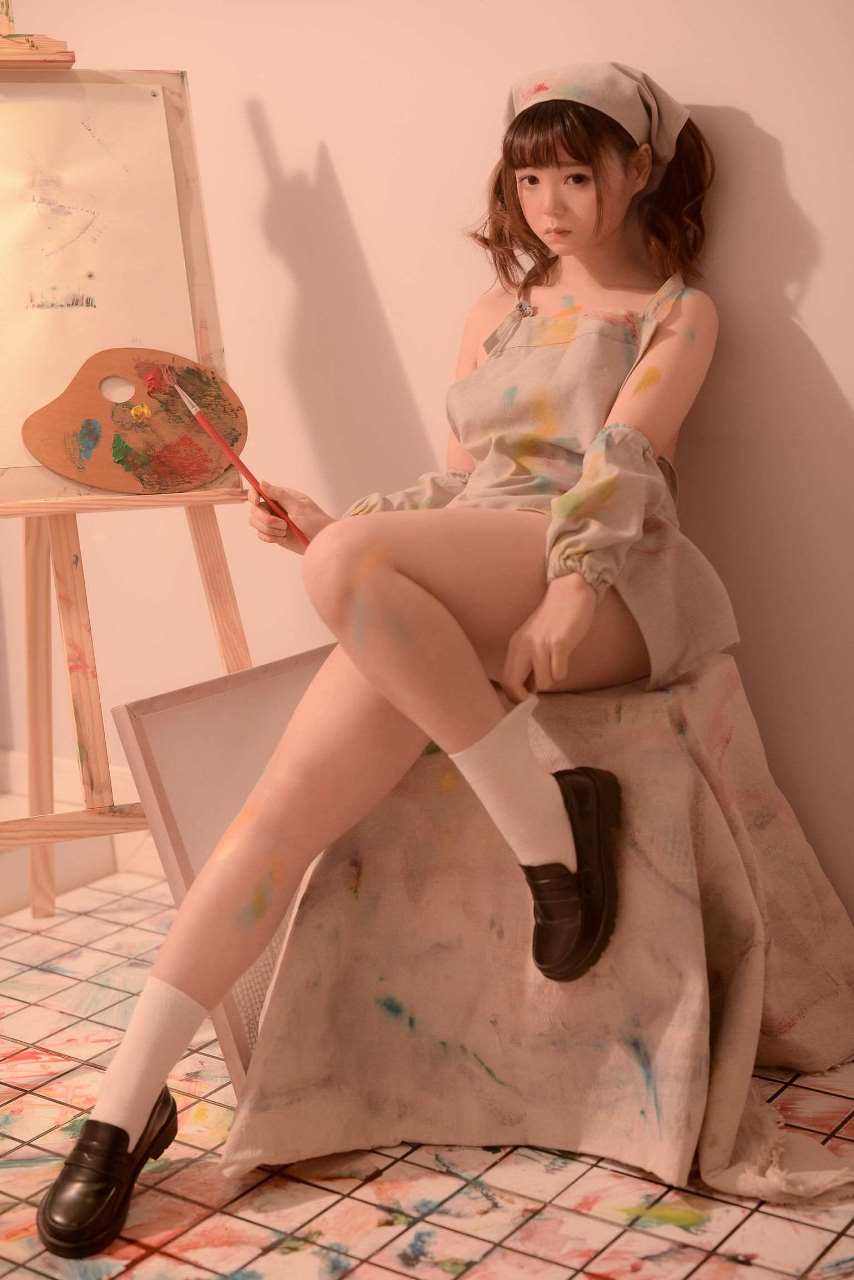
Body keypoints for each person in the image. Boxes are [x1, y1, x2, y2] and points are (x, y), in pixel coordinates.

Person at [37, 60, 736, 1258]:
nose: (550, 203)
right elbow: (463, 486)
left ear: (635, 170)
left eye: (577, 175)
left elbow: (624, 463)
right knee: (277, 811)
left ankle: (543, 829)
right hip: (475, 563)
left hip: (612, 576)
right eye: (530, 178)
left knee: (352, 563)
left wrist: (572, 586)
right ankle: (122, 1107)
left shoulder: (674, 311)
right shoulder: (493, 314)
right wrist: (334, 533)